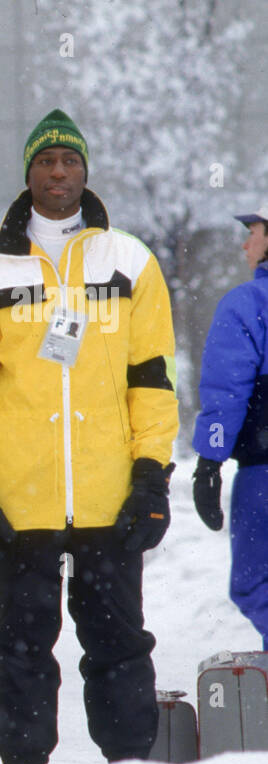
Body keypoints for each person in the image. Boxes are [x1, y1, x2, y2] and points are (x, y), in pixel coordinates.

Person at [0, 109, 178, 764]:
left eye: (70, 162)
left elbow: (153, 380)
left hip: (110, 499)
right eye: (47, 162)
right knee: (20, 652)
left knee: (120, 647)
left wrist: (151, 478)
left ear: (85, 171)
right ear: (29, 173)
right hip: (23, 502)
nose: (58, 173)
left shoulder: (129, 259)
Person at [191, 202, 268, 647]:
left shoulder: (248, 303)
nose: (245, 242)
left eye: (254, 231)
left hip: (262, 474)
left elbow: (226, 391)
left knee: (256, 584)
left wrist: (209, 462)